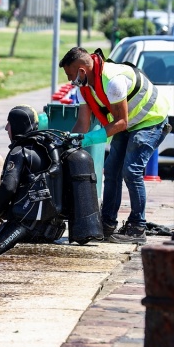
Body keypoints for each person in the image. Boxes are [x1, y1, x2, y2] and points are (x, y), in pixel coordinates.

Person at [59, 47, 170, 244]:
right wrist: (69, 143)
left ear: (82, 71)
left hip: (150, 120)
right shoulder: (84, 88)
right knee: (111, 170)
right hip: (129, 123)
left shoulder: (113, 81)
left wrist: (88, 140)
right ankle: (107, 223)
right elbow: (83, 124)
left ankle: (137, 227)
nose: (70, 80)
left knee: (131, 171)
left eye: (70, 75)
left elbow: (121, 123)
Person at [0, 105, 68, 273]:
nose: (6, 128)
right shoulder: (48, 150)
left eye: (9, 123)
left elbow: (8, 186)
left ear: (16, 125)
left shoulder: (19, 151)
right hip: (52, 227)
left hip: (26, 225)